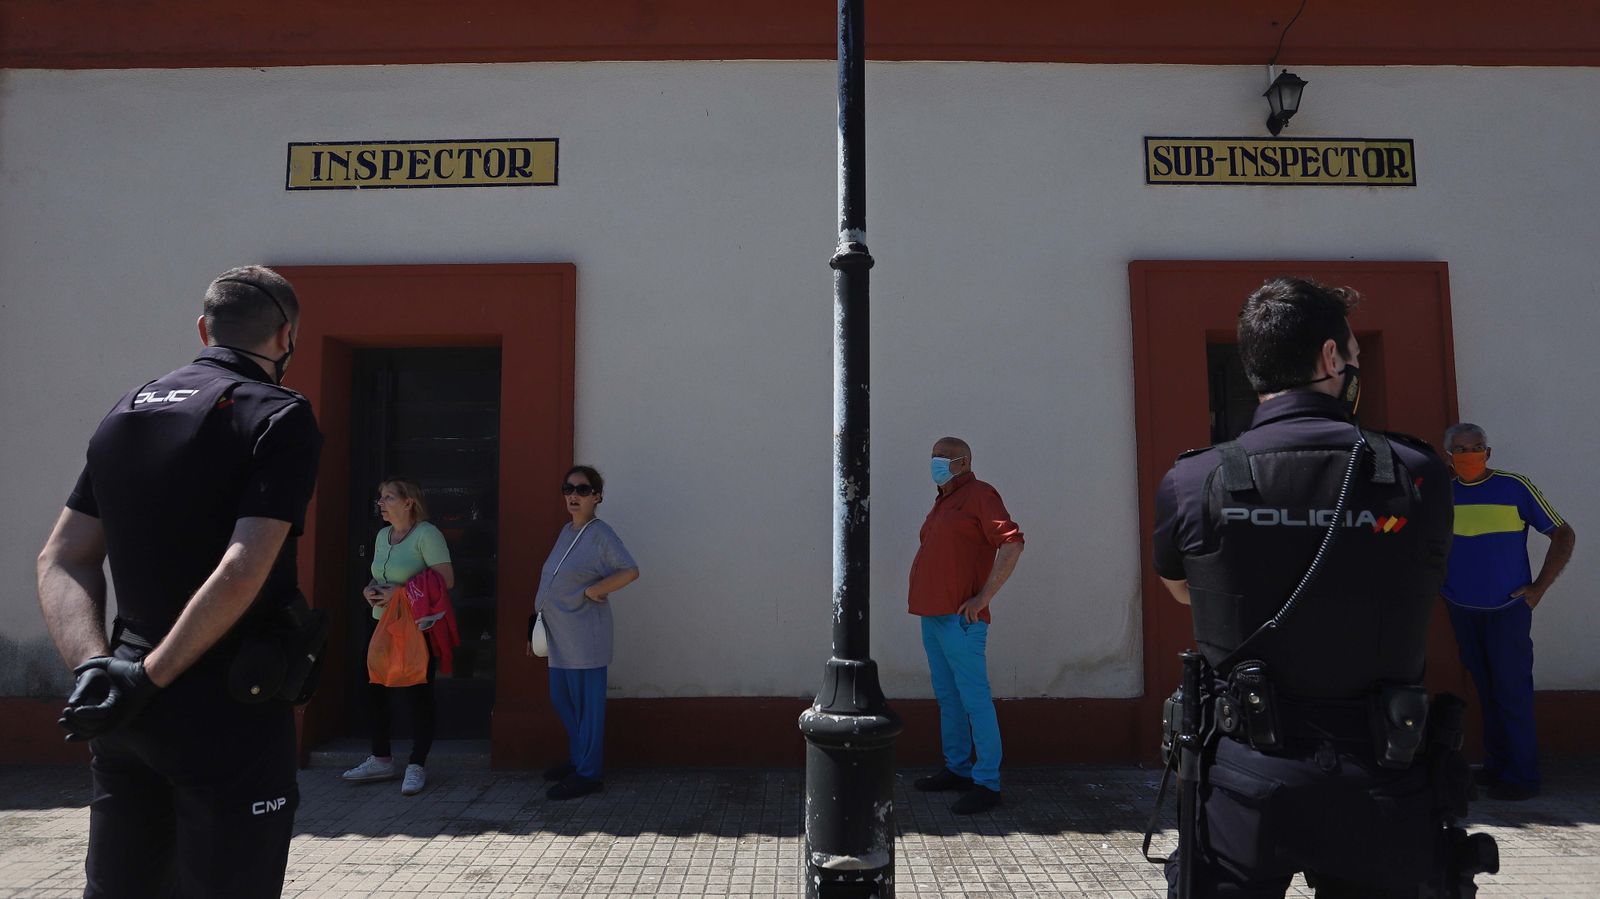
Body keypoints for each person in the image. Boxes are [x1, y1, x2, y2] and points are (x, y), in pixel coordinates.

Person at [1152, 277, 1462, 897]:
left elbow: (1182, 590)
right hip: (1385, 774)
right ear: (1330, 358)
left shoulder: (1196, 479)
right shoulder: (1417, 473)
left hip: (1244, 778)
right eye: (1353, 353)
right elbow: (1422, 579)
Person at [38, 265, 322, 898]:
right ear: (285, 337)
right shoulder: (279, 415)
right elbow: (242, 567)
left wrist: (98, 672)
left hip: (123, 709)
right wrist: (152, 677)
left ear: (203, 330)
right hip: (227, 710)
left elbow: (61, 557)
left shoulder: (125, 411)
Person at [1441, 422, 1576, 801]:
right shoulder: (1441, 493)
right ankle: (1498, 766)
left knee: (1512, 691)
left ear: (1489, 452)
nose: (1469, 454)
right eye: (1460, 449)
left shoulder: (1515, 487)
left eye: (1476, 447)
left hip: (1507, 611)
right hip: (1461, 608)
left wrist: (1539, 588)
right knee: (1487, 690)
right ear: (1448, 456)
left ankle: (1522, 777)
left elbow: (1563, 534)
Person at [907, 437, 1024, 815]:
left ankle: (987, 782)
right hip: (933, 616)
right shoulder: (943, 501)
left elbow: (1012, 543)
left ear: (964, 462)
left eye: (943, 457)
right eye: (933, 456)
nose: (936, 462)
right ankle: (957, 768)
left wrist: (983, 598)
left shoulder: (980, 494)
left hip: (962, 620)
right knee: (949, 697)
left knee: (974, 698)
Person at [527, 465, 640, 800]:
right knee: (562, 700)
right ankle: (579, 760)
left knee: (587, 709)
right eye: (568, 489)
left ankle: (589, 774)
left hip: (585, 637)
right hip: (560, 637)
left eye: (582, 489)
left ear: (597, 496)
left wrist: (595, 590)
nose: (573, 496)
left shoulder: (601, 534)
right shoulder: (568, 531)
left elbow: (629, 570)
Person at [341, 477, 455, 796]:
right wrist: (370, 589)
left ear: (409, 502)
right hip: (383, 624)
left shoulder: (427, 534)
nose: (381, 503)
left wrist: (401, 592)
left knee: (418, 695)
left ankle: (417, 765)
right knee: (375, 690)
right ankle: (381, 759)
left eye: (389, 497)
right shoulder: (382, 535)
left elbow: (446, 579)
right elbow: (380, 576)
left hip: (416, 628)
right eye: (380, 497)